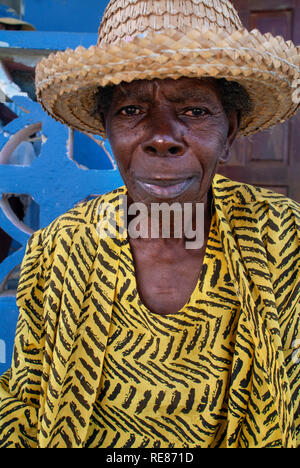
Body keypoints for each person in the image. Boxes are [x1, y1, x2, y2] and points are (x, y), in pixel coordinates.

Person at [0, 0, 300, 449]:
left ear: (230, 131)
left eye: (195, 111)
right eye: (131, 110)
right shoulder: (60, 249)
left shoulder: (284, 237)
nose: (162, 137)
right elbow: (25, 399)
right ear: (106, 130)